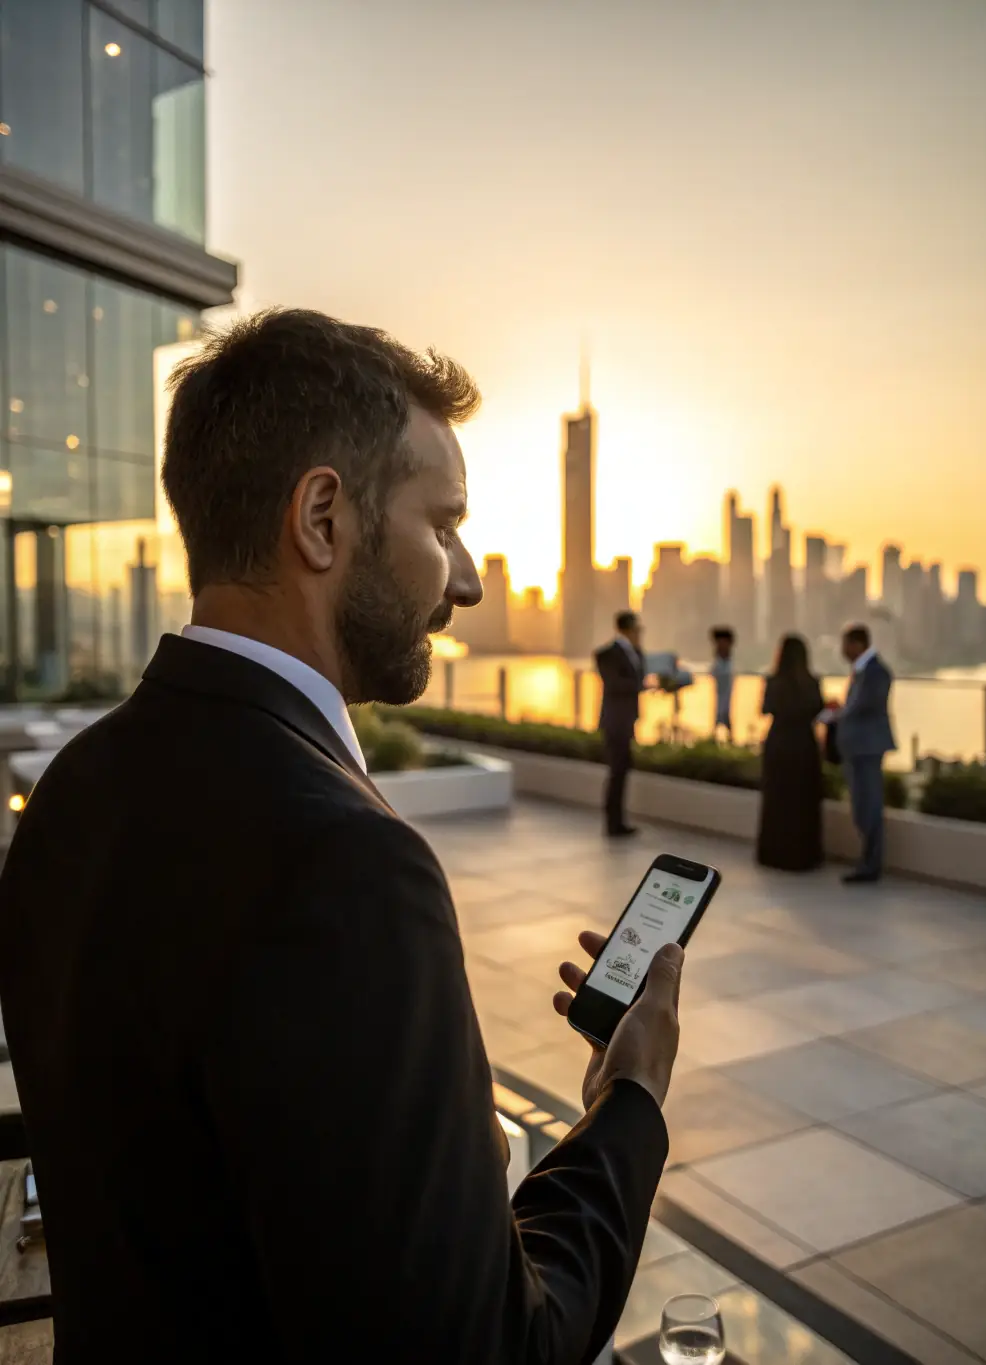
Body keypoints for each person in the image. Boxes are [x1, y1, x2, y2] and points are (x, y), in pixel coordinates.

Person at [0, 311, 687, 1364]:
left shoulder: (75, 788)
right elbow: (492, 1347)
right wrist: (627, 1101)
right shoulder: (348, 865)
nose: (467, 580)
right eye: (443, 526)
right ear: (322, 518)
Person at [829, 623, 896, 884]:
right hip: (857, 749)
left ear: (857, 644)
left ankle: (871, 865)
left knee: (869, 805)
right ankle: (867, 862)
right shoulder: (862, 672)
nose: (843, 650)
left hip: (867, 749)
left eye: (845, 645)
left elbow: (864, 707)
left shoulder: (876, 672)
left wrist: (838, 714)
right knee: (861, 805)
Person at [757, 634, 825, 871]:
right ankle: (803, 854)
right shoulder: (812, 682)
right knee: (802, 801)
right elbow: (818, 709)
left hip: (779, 743)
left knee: (777, 799)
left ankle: (775, 852)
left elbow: (765, 708)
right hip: (803, 744)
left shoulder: (773, 681)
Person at [595, 610, 646, 838]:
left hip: (627, 721)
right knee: (617, 770)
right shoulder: (607, 654)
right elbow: (616, 684)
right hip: (615, 722)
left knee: (623, 769)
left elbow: (638, 678)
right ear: (627, 629)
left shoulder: (636, 653)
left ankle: (619, 821)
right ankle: (613, 823)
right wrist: (641, 685)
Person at [709, 626, 736, 742]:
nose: (720, 646)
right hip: (719, 706)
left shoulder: (730, 666)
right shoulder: (717, 665)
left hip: (725, 706)